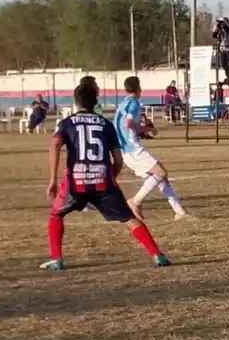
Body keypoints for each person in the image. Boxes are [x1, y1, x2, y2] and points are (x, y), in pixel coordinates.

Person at [41, 81, 170, 270]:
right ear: (95, 102)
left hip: (76, 181)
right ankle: (157, 255)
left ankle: (57, 258)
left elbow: (54, 145)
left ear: (76, 102)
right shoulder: (106, 125)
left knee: (56, 214)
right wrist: (112, 179)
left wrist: (52, 180)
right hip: (102, 180)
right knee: (129, 218)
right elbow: (118, 160)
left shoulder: (66, 123)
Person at [115, 76, 189, 221]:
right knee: (161, 172)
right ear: (138, 88)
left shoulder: (122, 104)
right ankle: (134, 202)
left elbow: (119, 125)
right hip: (133, 148)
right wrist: (146, 129)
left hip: (125, 148)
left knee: (160, 177)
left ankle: (180, 212)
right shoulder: (134, 103)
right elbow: (128, 123)